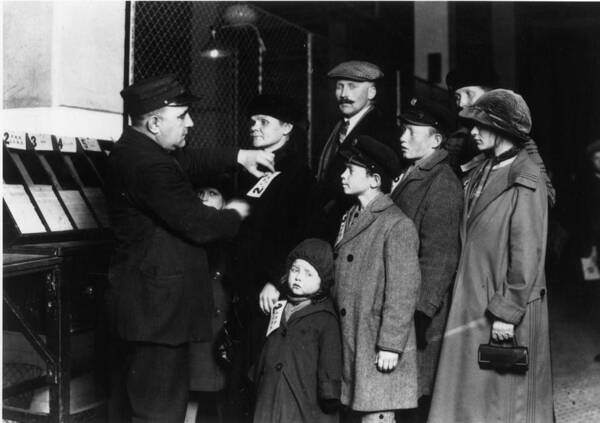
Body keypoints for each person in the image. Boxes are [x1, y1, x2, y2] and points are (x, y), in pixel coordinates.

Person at [106, 74, 275, 423]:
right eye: (182, 116)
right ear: (154, 123)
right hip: (156, 314)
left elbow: (190, 162)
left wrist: (240, 155)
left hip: (148, 309)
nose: (191, 122)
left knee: (151, 403)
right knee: (159, 411)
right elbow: (201, 225)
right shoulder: (149, 165)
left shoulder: (137, 149)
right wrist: (235, 212)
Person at [428, 89, 553, 422]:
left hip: (499, 303)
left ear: (502, 129)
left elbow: (528, 252)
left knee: (502, 404)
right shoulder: (485, 169)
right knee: (470, 400)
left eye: (481, 125)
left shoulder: (525, 177)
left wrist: (507, 312)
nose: (472, 132)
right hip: (472, 298)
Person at [228, 94, 314, 419]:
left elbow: (297, 234)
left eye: (264, 122)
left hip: (268, 291)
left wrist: (276, 280)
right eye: (253, 122)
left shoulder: (298, 175)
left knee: (256, 372)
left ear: (287, 128)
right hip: (241, 286)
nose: (255, 127)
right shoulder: (248, 169)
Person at [333, 135, 421, 422]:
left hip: (375, 339)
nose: (342, 175)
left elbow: (403, 290)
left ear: (373, 179)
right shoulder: (352, 215)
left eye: (350, 171)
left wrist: (391, 345)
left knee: (377, 413)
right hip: (355, 334)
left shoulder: (396, 224)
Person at [391, 98, 463, 422]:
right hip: (403, 306)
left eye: (410, 131)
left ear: (436, 140)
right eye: (402, 130)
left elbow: (440, 255)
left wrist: (420, 311)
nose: (402, 137)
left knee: (417, 397)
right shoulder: (414, 171)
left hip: (418, 314)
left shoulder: (442, 181)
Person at [253, 238, 342, 423]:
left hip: (304, 405)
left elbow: (330, 363)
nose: (299, 277)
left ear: (322, 281)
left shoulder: (325, 318)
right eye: (295, 270)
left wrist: (329, 396)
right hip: (269, 399)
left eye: (308, 274)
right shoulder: (279, 306)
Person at [307, 60, 397, 243]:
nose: (344, 94)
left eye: (352, 87)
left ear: (372, 92)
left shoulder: (382, 130)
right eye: (339, 87)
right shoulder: (334, 126)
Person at [445, 67, 556, 206]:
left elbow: (546, 196)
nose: (461, 103)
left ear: (492, 96)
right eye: (457, 97)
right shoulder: (456, 140)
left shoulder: (520, 141)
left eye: (469, 93)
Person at [186, 186, 232, 423]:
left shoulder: (230, 239)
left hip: (220, 319)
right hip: (197, 319)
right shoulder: (189, 237)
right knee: (194, 384)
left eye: (213, 193)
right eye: (201, 194)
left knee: (218, 386)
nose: (204, 198)